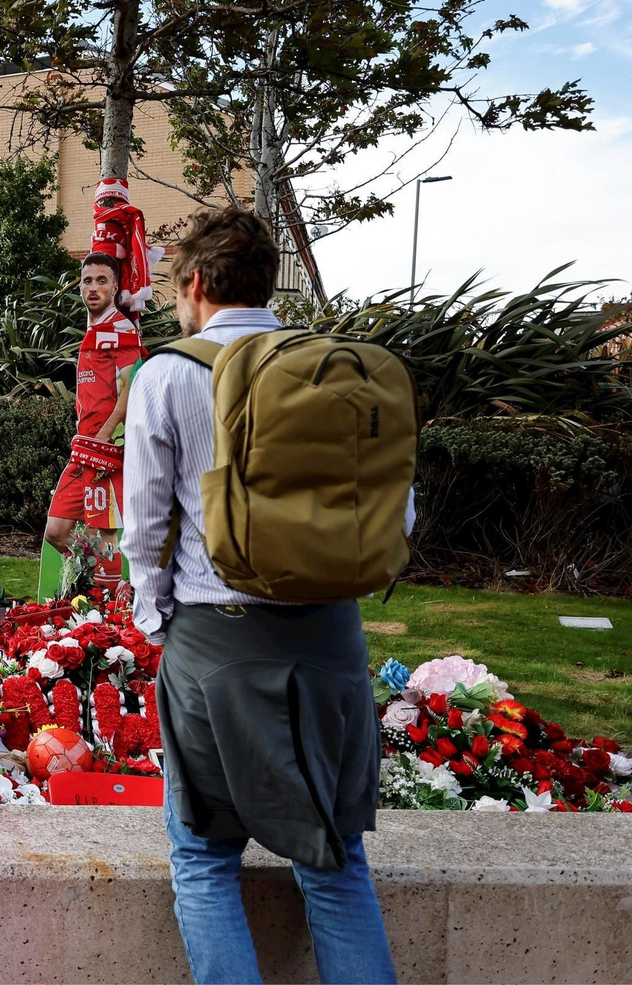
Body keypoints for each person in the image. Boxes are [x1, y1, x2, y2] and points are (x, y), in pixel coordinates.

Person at [120, 207, 399, 985]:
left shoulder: (168, 373)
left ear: (198, 283)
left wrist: (154, 620)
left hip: (219, 645)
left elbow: (143, 528)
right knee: (337, 863)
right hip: (332, 645)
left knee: (204, 857)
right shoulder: (340, 369)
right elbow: (395, 513)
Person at [43, 252, 144, 577]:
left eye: (102, 280)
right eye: (87, 280)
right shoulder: (94, 331)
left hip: (107, 451)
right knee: (56, 531)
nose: (93, 287)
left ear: (115, 287)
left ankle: (107, 609)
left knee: (106, 536)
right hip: (83, 449)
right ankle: (90, 578)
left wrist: (107, 432)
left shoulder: (121, 329)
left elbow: (133, 386)